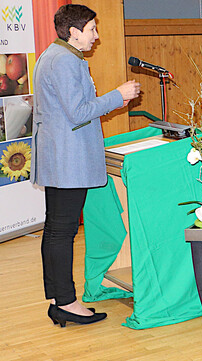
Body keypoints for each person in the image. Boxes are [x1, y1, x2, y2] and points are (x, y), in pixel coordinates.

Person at [32, 4, 142, 327]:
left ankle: (58, 298)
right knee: (62, 232)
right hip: (68, 162)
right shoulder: (65, 60)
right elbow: (78, 112)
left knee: (55, 230)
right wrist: (117, 95)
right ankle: (66, 302)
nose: (97, 36)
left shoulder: (51, 55)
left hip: (58, 159)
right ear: (75, 32)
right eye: (92, 29)